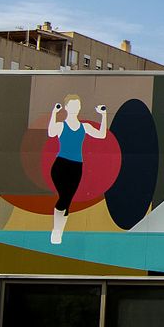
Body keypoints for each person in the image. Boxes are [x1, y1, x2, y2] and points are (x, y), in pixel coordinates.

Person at [46, 96, 108, 245]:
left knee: (67, 199)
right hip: (60, 165)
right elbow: (51, 133)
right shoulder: (61, 125)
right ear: (66, 107)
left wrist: (104, 115)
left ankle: (58, 231)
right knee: (65, 197)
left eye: (77, 105)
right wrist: (54, 113)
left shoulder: (84, 127)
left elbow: (102, 135)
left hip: (76, 166)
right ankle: (56, 231)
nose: (75, 108)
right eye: (72, 105)